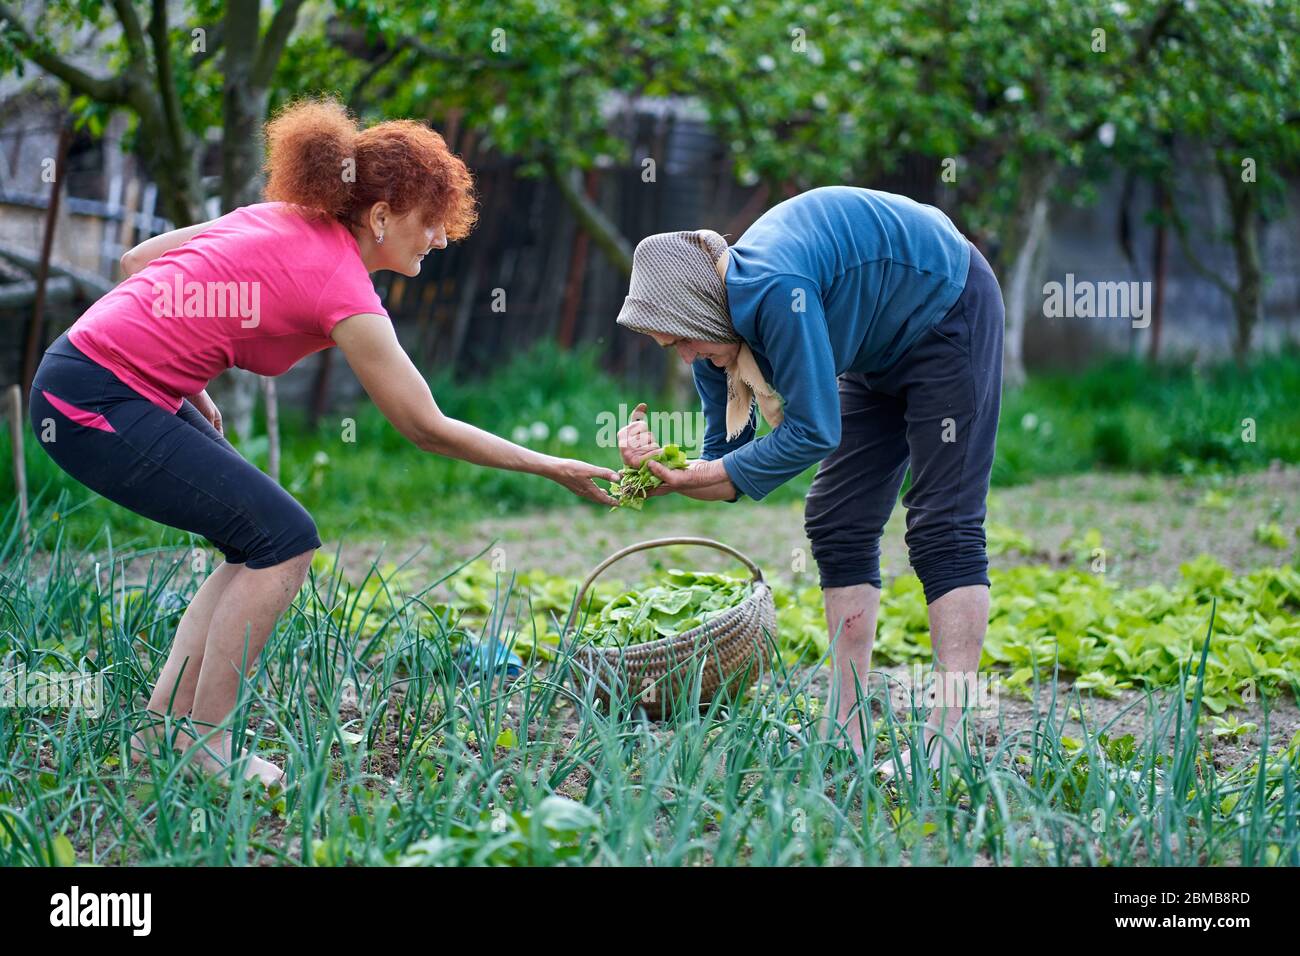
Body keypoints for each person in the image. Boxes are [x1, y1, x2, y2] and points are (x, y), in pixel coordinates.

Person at [29, 97, 621, 787]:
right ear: (379, 216)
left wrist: (187, 377)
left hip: (92, 372)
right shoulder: (343, 287)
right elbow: (425, 426)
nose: (438, 236)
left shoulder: (279, 217)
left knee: (258, 540)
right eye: (429, 221)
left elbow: (139, 264)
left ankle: (165, 731)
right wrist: (551, 466)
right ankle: (204, 743)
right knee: (285, 540)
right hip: (92, 399)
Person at [613, 186, 1004, 777]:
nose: (686, 357)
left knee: (942, 526)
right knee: (838, 519)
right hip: (879, 346)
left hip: (948, 307)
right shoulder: (717, 340)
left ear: (696, 309)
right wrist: (659, 473)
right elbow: (724, 467)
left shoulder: (773, 290)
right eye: (672, 349)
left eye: (681, 341)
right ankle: (845, 726)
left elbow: (814, 431)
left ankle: (947, 740)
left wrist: (708, 472)